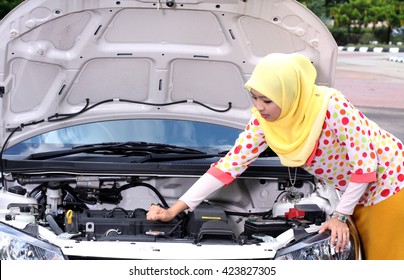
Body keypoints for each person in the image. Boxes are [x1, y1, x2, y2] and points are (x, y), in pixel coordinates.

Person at [146, 52, 404, 260]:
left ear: (288, 92)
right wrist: (175, 210)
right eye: (254, 97)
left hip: (389, 186)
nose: (259, 106)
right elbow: (227, 167)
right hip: (353, 194)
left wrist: (338, 216)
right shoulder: (263, 122)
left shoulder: (331, 106)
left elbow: (366, 166)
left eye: (267, 100)